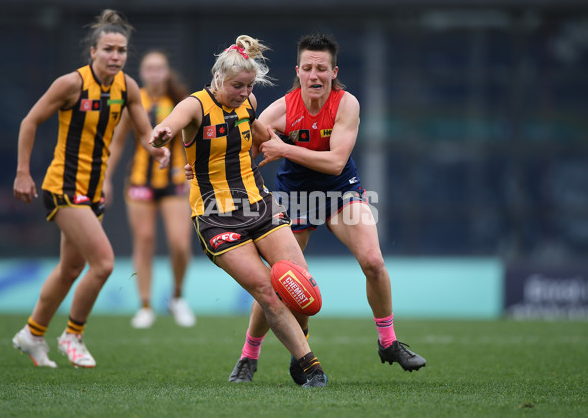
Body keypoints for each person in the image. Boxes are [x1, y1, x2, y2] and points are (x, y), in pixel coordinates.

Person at [229, 33, 426, 384]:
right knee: (278, 280)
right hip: (294, 196)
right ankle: (248, 356)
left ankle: (388, 342)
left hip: (340, 192)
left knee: (374, 262)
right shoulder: (281, 109)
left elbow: (336, 162)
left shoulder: (347, 104)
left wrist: (284, 149)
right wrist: (208, 165)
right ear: (298, 71)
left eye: (322, 68)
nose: (315, 75)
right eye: (308, 68)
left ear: (334, 72)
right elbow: (245, 143)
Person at [150, 35, 327, 387]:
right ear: (218, 79)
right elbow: (169, 124)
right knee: (266, 289)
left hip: (259, 204)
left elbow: (260, 135)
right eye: (237, 86)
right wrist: (162, 136)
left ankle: (270, 350)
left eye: (249, 86)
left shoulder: (248, 104)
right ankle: (310, 366)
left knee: (297, 285)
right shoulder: (195, 106)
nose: (244, 93)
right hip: (216, 215)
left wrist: (285, 148)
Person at [12, 9, 170, 368]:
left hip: (94, 191)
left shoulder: (127, 87)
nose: (116, 56)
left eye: (122, 50)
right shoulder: (70, 84)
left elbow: (145, 133)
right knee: (104, 263)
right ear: (93, 52)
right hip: (63, 187)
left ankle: (32, 334)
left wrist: (158, 150)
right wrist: (23, 173)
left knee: (70, 269)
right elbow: (29, 121)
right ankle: (72, 335)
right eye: (109, 49)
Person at [105, 50, 195, 329]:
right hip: (140, 182)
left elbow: (196, 138)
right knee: (143, 241)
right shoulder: (134, 100)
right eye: (149, 68)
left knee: (180, 243)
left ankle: (177, 297)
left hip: (176, 181)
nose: (155, 73)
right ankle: (144, 305)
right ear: (142, 73)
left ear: (167, 71)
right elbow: (118, 141)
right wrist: (105, 178)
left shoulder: (181, 100)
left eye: (160, 68)